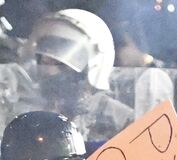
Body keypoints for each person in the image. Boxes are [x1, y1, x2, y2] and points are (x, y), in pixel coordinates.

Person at [29, 8, 133, 141]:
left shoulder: (118, 118)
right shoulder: (32, 113)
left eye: (60, 62)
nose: (50, 70)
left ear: (94, 62)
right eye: (46, 58)